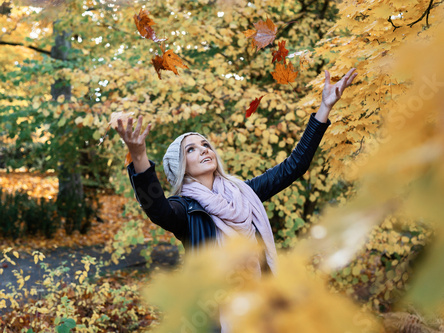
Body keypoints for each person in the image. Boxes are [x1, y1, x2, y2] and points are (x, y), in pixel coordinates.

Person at [116, 68, 358, 277]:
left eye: (205, 145)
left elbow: (294, 166)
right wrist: (138, 156)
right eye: (191, 149)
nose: (203, 150)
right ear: (181, 167)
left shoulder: (244, 193)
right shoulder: (185, 210)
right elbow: (157, 209)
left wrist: (324, 108)